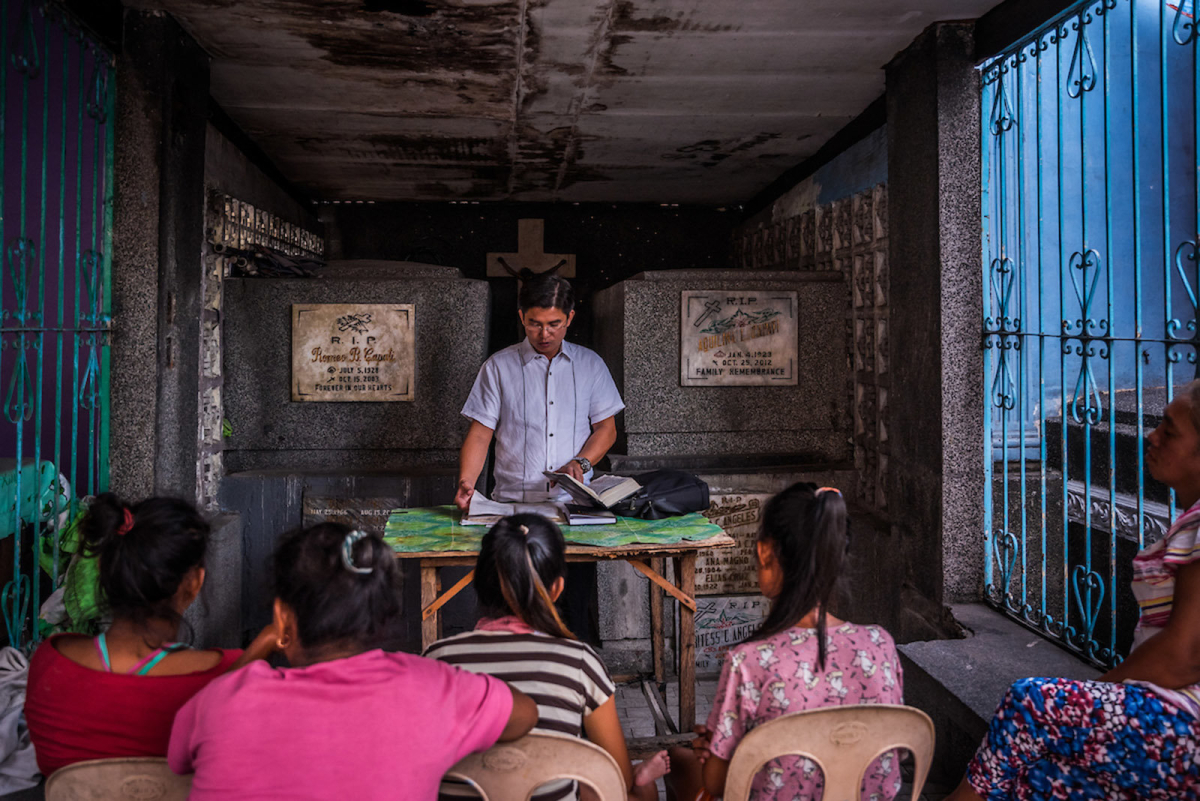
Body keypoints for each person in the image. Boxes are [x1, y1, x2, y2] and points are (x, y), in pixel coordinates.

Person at [946, 383, 1200, 801]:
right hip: (1167, 715)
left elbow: (1184, 655)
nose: (1152, 437)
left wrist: (1106, 690)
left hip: (1184, 724)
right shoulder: (1189, 520)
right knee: (1042, 781)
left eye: (1169, 432)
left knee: (1032, 703)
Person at [169, 522, 538, 800]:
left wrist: (258, 650)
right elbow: (524, 714)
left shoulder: (221, 701)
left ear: (282, 618)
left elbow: (179, 760)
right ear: (381, 617)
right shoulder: (434, 688)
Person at [424, 513, 671, 801]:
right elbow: (617, 777)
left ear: (479, 583)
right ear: (557, 589)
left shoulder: (436, 660)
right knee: (636, 790)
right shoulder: (580, 664)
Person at [25, 494, 273, 776]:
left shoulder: (49, 661)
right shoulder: (228, 673)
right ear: (195, 583)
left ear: (106, 571)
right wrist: (260, 651)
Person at [690, 483, 904, 801]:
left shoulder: (750, 660)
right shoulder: (881, 645)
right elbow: (891, 761)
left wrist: (714, 748)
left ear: (765, 552)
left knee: (681, 765)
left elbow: (718, 783)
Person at [455, 274, 624, 509]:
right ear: (522, 317)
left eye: (554, 324)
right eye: (535, 323)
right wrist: (467, 481)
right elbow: (481, 434)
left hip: (576, 502)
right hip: (512, 503)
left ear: (569, 318)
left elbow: (606, 428)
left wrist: (581, 463)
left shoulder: (590, 365)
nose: (545, 334)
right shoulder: (498, 367)